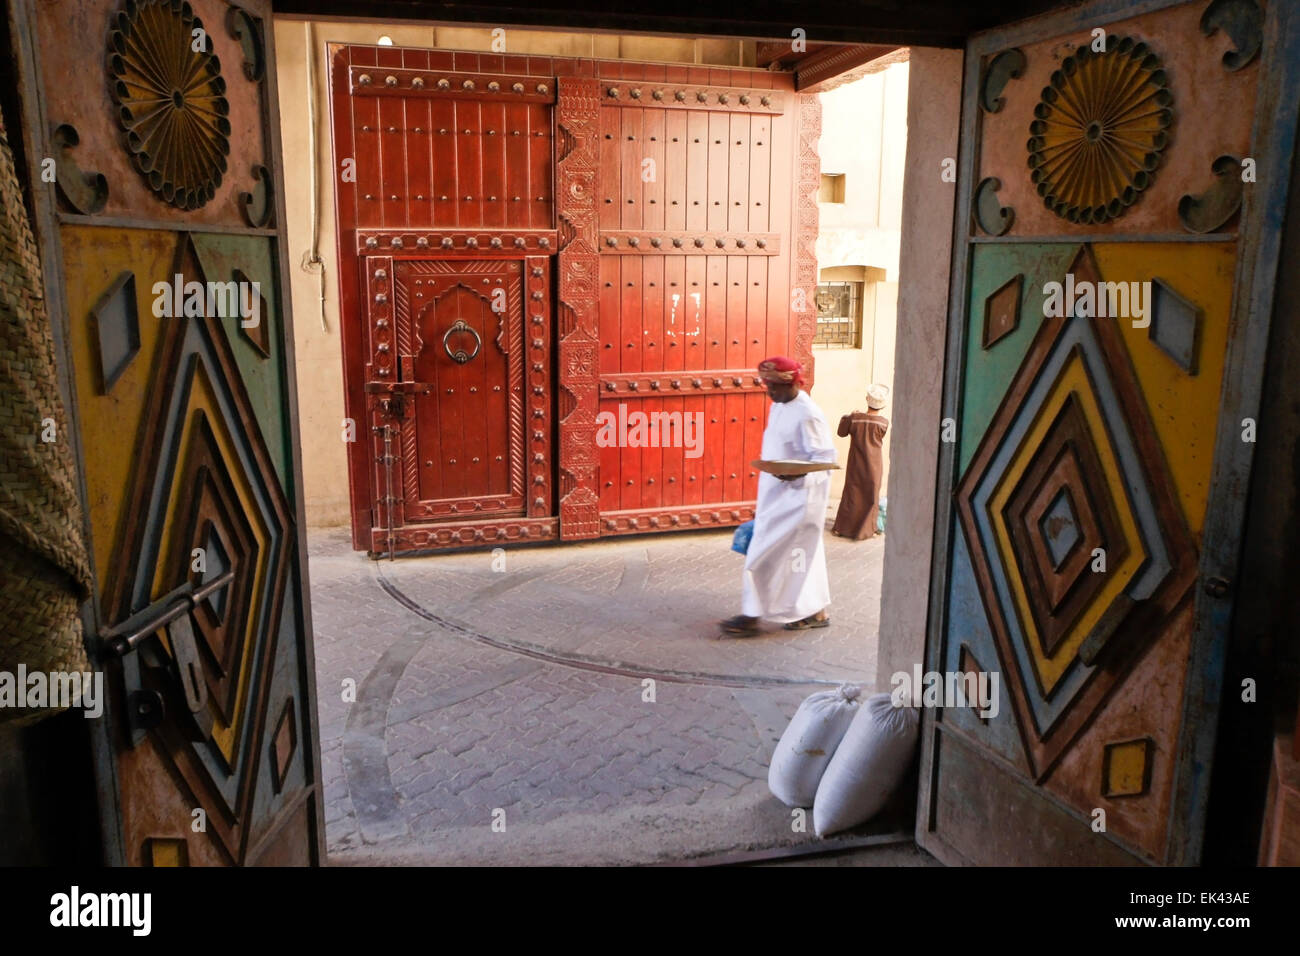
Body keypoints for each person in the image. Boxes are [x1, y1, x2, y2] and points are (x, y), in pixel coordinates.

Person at [721, 356, 837, 636]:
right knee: (803, 556)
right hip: (776, 495)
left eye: (775, 386)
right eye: (767, 385)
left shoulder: (808, 413)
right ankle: (815, 611)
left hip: (799, 500)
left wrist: (799, 474)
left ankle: (751, 615)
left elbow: (825, 458)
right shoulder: (779, 407)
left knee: (763, 554)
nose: (769, 392)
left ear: (793, 383)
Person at [831, 384, 890, 540]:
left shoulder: (855, 419)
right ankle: (868, 529)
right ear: (883, 404)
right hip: (875, 465)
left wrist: (849, 416)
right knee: (871, 495)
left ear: (867, 400)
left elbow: (841, 432)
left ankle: (843, 528)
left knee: (852, 494)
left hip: (856, 464)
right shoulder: (883, 423)